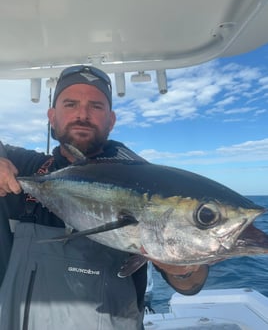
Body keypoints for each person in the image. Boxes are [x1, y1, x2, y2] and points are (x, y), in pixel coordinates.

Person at [0, 65, 208, 330]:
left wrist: (182, 268)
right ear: (52, 117)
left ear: (111, 120)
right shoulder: (23, 167)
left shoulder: (147, 181)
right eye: (71, 104)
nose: (83, 115)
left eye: (96, 106)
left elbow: (190, 286)